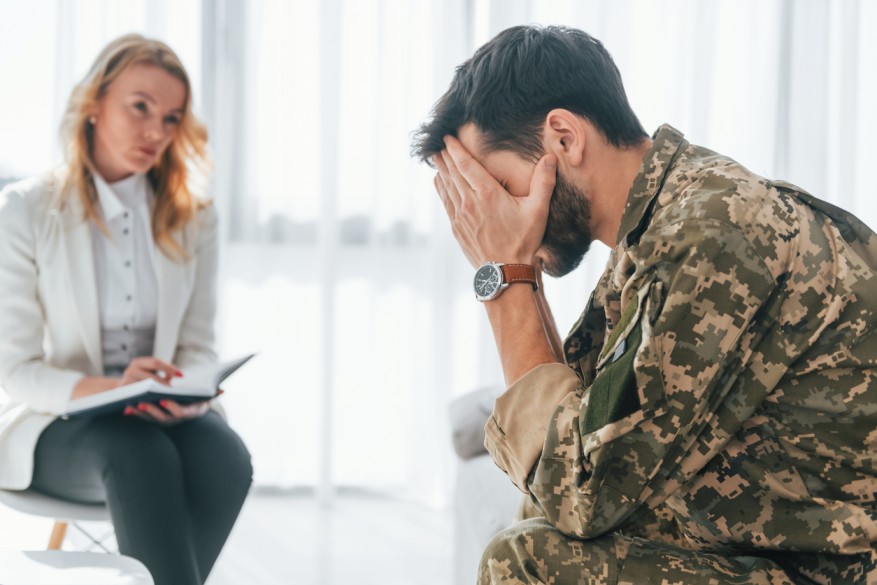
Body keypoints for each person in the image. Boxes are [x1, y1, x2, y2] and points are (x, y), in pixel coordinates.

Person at [412, 25, 876, 584]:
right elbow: (576, 440)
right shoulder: (656, 227)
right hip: (779, 549)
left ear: (563, 138)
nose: (491, 218)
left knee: (523, 562)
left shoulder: (713, 229)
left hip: (837, 571)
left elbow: (579, 491)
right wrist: (518, 272)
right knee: (534, 533)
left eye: (497, 188)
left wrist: (504, 275)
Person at [0, 34, 252, 585]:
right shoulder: (24, 210)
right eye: (140, 107)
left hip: (159, 418)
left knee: (226, 457)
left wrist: (185, 389)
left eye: (171, 118)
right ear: (94, 102)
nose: (156, 132)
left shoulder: (194, 219)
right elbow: (15, 371)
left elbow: (195, 345)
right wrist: (115, 389)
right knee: (139, 454)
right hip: (58, 421)